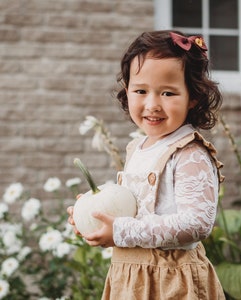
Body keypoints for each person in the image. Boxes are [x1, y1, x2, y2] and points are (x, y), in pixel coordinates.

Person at [67, 30, 225, 299]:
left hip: (173, 282)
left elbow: (197, 223)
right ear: (126, 92)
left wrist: (121, 230)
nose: (152, 104)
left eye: (168, 93)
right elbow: (136, 206)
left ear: (193, 97)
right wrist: (94, 212)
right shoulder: (137, 148)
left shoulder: (190, 154)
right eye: (140, 90)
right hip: (131, 281)